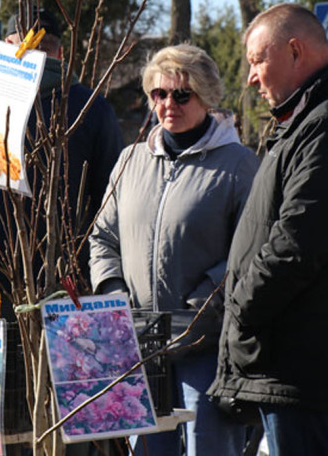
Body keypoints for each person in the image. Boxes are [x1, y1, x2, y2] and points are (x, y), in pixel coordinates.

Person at [208, 3, 328, 456]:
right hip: (289, 359)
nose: (251, 78)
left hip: (301, 363)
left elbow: (298, 244)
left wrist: (240, 308)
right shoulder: (309, 121)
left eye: (257, 61)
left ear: (295, 51)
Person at [89, 44, 259, 456]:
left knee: (208, 448)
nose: (169, 104)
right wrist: (114, 295)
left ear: (206, 96)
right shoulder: (130, 160)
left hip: (207, 345)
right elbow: (103, 238)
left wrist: (201, 305)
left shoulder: (239, 165)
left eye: (182, 95)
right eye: (159, 93)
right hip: (138, 344)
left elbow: (250, 254)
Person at [0, 6, 123, 317]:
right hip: (64, 283)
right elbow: (110, 203)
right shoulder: (93, 109)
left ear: (6, 45)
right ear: (61, 53)